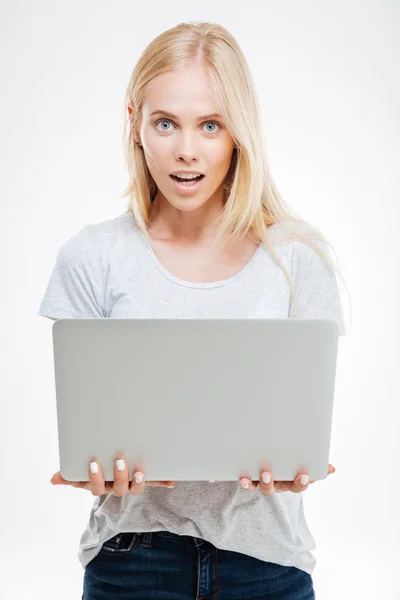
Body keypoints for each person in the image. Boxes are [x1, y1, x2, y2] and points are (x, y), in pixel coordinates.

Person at [38, 21, 350, 600]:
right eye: (166, 123)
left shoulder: (296, 258)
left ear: (239, 133)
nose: (187, 150)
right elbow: (86, 440)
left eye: (211, 125)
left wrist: (299, 466)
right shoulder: (93, 257)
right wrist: (93, 473)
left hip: (267, 564)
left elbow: (308, 432)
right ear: (134, 122)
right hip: (132, 561)